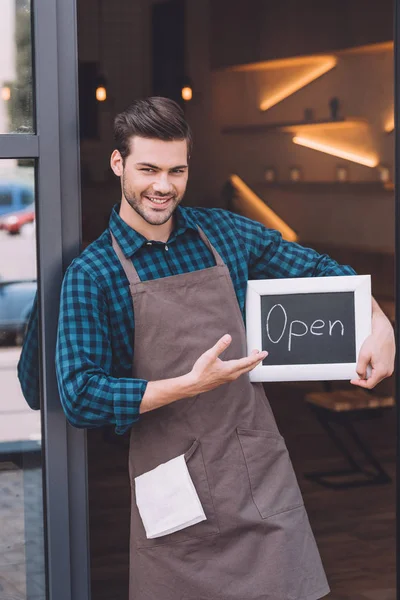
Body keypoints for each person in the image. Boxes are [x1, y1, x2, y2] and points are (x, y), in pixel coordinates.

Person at [55, 97, 395, 600]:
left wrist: (381, 322)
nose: (163, 186)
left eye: (177, 170)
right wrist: (188, 386)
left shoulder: (224, 233)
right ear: (118, 164)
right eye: (148, 169)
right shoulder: (93, 273)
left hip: (255, 468)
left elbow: (318, 270)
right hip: (171, 482)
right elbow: (80, 394)